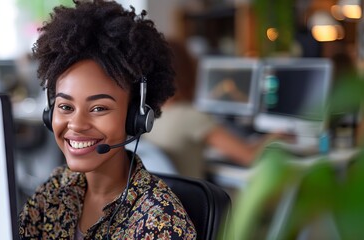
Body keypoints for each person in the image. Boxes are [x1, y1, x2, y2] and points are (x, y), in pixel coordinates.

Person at [18, 1, 197, 239]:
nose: (77, 124)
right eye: (65, 106)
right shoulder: (57, 188)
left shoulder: (159, 222)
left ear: (136, 116)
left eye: (99, 108)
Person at [143, 40, 288, 179]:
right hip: (192, 203)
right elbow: (249, 156)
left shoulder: (148, 117)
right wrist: (274, 136)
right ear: (186, 71)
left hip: (166, 201)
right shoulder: (191, 116)